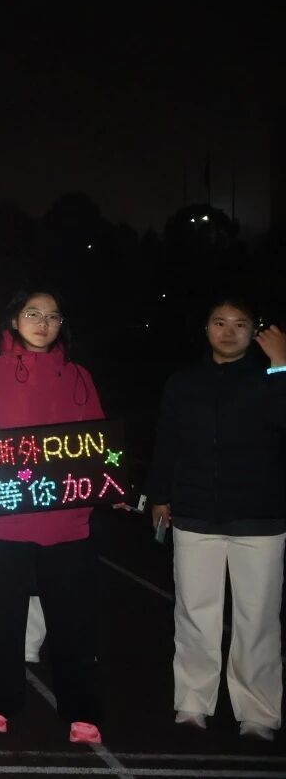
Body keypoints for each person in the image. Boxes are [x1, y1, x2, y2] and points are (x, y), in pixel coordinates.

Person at [0, 290, 105, 744]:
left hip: (66, 523)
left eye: (53, 316)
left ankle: (81, 709)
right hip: (3, 522)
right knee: (0, 620)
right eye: (33, 314)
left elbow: (96, 442)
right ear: (14, 321)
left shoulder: (79, 376)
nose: (43, 323)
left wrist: (109, 481)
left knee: (72, 623)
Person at [148, 297, 286, 742]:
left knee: (258, 619)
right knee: (194, 613)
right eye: (219, 322)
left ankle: (259, 711)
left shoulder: (270, 377)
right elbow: (166, 441)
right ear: (205, 328)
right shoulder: (183, 382)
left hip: (260, 517)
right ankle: (192, 701)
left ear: (255, 330)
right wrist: (160, 495)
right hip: (195, 515)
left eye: (240, 324)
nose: (229, 331)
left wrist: (282, 365)